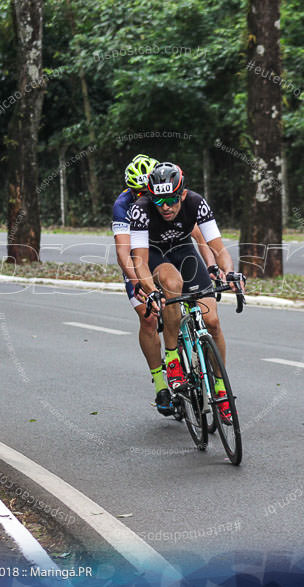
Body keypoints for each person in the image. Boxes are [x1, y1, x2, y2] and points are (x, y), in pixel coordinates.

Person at [128, 161, 245, 421]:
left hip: (184, 251)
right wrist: (149, 289)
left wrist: (229, 271)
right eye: (159, 201)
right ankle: (172, 359)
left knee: (212, 321)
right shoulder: (140, 210)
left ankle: (220, 389)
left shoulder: (195, 202)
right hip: (156, 255)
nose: (166, 206)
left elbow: (218, 247)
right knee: (172, 284)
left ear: (181, 193)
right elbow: (139, 260)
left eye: (171, 199)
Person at [111, 155, 216, 413]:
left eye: (144, 191)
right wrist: (140, 283)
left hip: (171, 252)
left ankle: (185, 344)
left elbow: (197, 234)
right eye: (135, 192)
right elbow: (125, 253)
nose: (141, 197)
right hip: (139, 261)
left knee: (180, 294)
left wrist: (210, 265)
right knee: (148, 319)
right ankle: (160, 384)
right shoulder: (124, 205)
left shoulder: (166, 200)